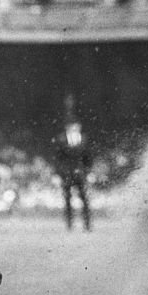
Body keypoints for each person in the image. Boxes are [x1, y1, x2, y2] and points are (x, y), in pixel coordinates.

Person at [53, 94, 93, 231]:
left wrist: (87, 169)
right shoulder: (62, 140)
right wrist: (60, 171)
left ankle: (87, 224)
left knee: (84, 199)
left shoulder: (83, 140)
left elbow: (87, 156)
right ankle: (70, 224)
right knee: (68, 200)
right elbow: (58, 157)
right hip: (67, 172)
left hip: (79, 172)